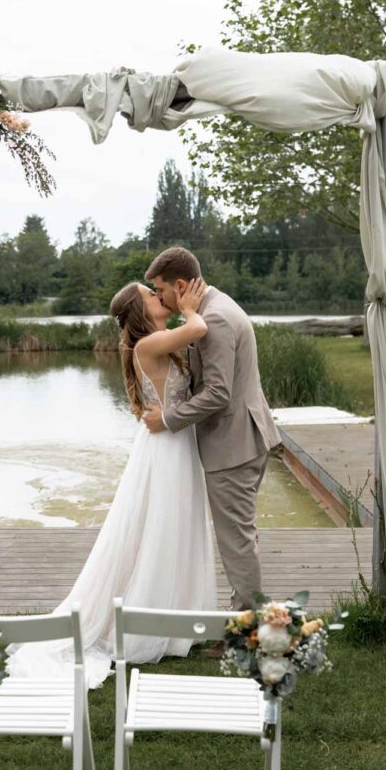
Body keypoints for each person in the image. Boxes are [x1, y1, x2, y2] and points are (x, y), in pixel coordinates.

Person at [7, 277, 216, 687]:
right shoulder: (146, 345)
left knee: (176, 527)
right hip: (166, 450)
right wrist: (192, 305)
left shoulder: (159, 340)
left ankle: (177, 616)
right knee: (163, 529)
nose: (160, 297)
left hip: (173, 442)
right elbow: (198, 330)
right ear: (140, 312)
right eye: (151, 296)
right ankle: (154, 625)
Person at [142, 247, 280, 612]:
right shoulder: (215, 308)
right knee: (240, 535)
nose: (159, 297)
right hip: (242, 437)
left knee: (235, 539)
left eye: (161, 289)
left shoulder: (215, 319)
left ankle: (245, 624)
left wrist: (168, 420)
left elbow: (218, 393)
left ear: (182, 285)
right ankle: (244, 613)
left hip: (233, 443)